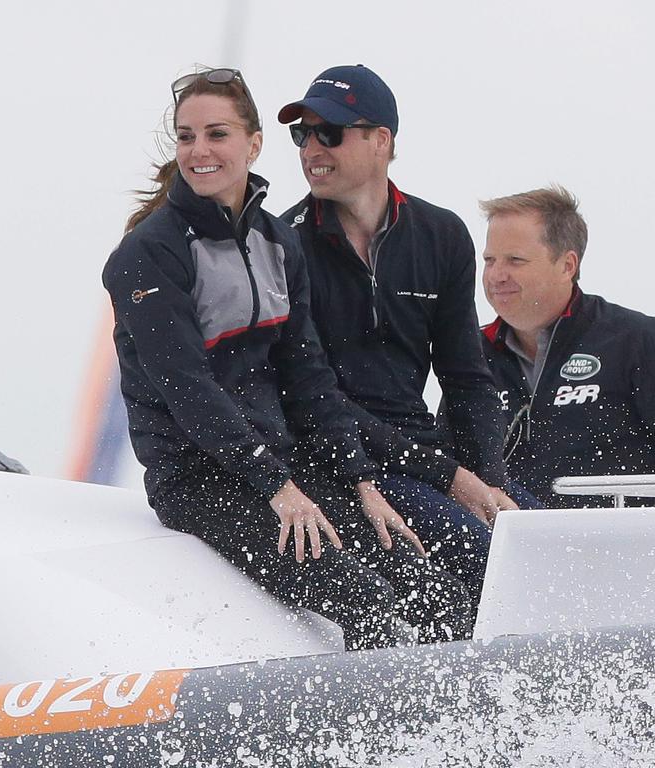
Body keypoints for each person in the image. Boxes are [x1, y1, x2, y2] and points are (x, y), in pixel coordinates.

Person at [102, 67, 473, 649]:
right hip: (201, 479)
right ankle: (371, 738)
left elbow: (308, 377)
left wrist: (360, 478)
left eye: (216, 134)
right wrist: (278, 486)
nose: (199, 151)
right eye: (186, 136)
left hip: (285, 467)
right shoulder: (147, 255)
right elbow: (188, 391)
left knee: (435, 591)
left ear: (252, 145)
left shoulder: (276, 242)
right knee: (368, 604)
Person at [277, 65, 531, 604]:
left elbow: (467, 379)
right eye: (302, 133)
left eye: (329, 132)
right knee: (484, 556)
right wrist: (451, 478)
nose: (310, 149)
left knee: (543, 541)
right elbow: (314, 401)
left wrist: (488, 481)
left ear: (381, 140)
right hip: (342, 459)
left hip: (425, 452)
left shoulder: (440, 234)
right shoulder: (284, 245)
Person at [477, 185, 655, 507]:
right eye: (490, 260)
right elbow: (452, 466)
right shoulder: (473, 353)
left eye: (515, 260)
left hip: (624, 546)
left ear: (567, 265)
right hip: (508, 547)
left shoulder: (636, 339)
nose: (497, 275)